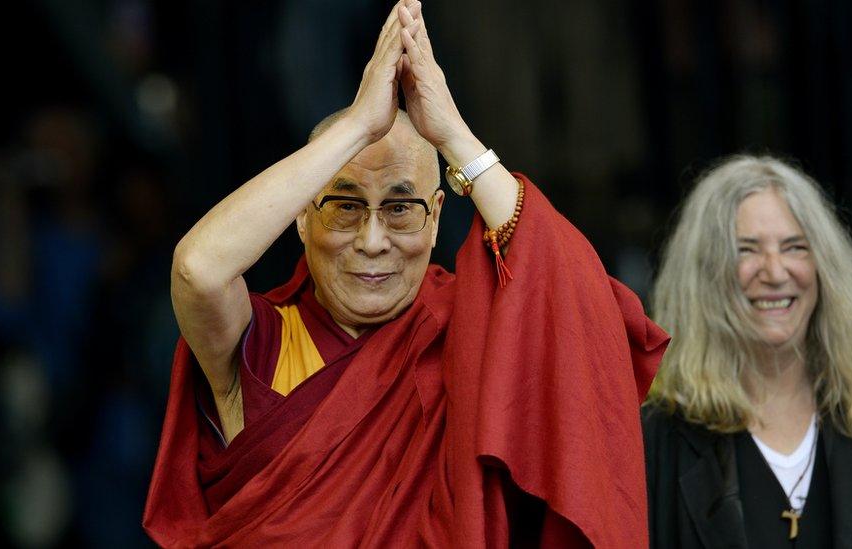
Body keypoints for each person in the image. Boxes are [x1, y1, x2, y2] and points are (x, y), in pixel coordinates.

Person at [144, 1, 669, 546]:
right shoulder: (261, 342)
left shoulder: (472, 332)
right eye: (344, 207)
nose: (373, 242)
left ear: (437, 216)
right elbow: (199, 270)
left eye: (400, 209)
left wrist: (453, 135)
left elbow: (584, 310)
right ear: (300, 216)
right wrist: (356, 127)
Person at [641, 155, 852, 548]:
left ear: (824, 268)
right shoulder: (658, 440)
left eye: (794, 247)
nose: (776, 272)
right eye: (747, 250)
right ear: (705, 277)